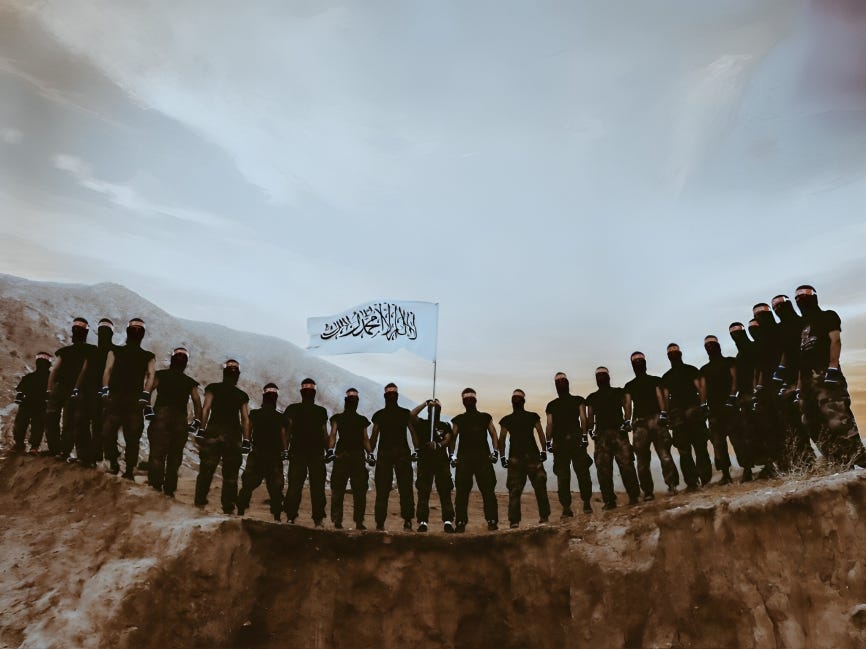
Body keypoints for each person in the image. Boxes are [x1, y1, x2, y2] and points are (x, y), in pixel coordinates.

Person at [794, 285, 864, 467]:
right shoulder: (800, 326)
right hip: (807, 379)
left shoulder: (828, 316)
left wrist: (832, 367)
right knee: (810, 421)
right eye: (797, 296)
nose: (800, 298)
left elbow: (835, 340)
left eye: (805, 294)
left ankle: (860, 457)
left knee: (838, 418)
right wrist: (799, 387)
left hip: (826, 373)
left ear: (814, 296)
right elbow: (800, 360)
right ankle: (838, 460)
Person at [100, 318, 156, 479]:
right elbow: (150, 376)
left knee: (126, 436)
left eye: (138, 330)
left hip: (126, 400)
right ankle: (119, 465)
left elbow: (107, 371)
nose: (136, 332)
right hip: (124, 399)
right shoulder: (145, 356)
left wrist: (105, 390)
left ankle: (126, 469)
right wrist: (145, 394)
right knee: (117, 434)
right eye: (135, 329)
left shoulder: (118, 352)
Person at [194, 359, 250, 513]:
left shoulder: (213, 388)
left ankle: (199, 504)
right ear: (237, 375)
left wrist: (201, 430)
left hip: (214, 431)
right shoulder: (241, 395)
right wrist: (246, 440)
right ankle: (228, 508)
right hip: (233, 434)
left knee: (206, 470)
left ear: (224, 373)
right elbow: (245, 419)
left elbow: (206, 409)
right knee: (231, 474)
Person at [146, 347, 202, 497]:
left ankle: (155, 487)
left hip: (161, 416)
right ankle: (169, 490)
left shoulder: (161, 375)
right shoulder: (189, 382)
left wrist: (147, 408)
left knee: (157, 454)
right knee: (175, 456)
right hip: (180, 420)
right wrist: (197, 421)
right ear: (185, 363)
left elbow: (149, 389)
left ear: (172, 359)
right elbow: (197, 401)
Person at [623, 352, 679, 500]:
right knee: (664, 454)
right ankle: (672, 486)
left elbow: (628, 404)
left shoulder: (630, 385)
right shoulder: (655, 380)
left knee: (642, 460)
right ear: (645, 363)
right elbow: (660, 396)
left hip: (640, 422)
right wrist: (664, 413)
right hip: (656, 419)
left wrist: (627, 421)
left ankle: (648, 492)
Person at [770, 294, 816, 469]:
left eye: (781, 305)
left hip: (809, 377)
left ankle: (837, 458)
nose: (778, 309)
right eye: (775, 307)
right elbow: (783, 353)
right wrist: (780, 373)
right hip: (788, 383)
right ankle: (808, 462)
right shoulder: (778, 329)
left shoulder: (803, 323)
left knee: (814, 420)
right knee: (794, 424)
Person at [587, 367, 640, 510]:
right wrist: (590, 430)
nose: (601, 377)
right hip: (603, 435)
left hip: (618, 432)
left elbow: (627, 404)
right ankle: (610, 501)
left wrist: (627, 421)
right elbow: (590, 416)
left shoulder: (618, 391)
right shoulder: (592, 397)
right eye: (598, 375)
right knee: (604, 470)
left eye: (603, 374)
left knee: (626, 465)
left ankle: (633, 496)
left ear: (608, 377)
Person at [369, 383, 419, 531]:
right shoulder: (404, 413)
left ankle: (381, 523)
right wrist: (416, 450)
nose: (391, 396)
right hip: (397, 454)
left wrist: (370, 452)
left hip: (390, 454)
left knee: (388, 489)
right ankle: (405, 521)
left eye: (393, 394)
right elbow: (413, 432)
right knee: (401, 489)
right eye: (390, 394)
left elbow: (374, 436)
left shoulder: (381, 415)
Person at [662, 343, 711, 490]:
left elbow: (700, 387)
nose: (673, 353)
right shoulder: (667, 376)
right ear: (668, 356)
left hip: (692, 411)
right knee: (686, 451)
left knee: (699, 447)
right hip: (679, 415)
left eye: (674, 351)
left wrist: (703, 405)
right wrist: (667, 415)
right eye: (671, 352)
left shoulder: (690, 370)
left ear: (680, 353)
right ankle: (694, 482)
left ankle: (703, 481)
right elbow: (665, 398)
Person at [498, 389, 550, 528]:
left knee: (514, 490)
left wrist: (502, 457)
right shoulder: (532, 416)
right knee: (540, 487)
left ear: (512, 402)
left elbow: (501, 439)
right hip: (532, 457)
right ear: (523, 401)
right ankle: (544, 517)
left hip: (515, 459)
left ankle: (514, 521)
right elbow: (540, 433)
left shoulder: (507, 420)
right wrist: (544, 451)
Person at [46, 317, 95, 460]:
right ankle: (62, 451)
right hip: (68, 388)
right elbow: (84, 370)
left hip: (63, 387)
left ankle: (59, 450)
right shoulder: (89, 350)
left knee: (58, 418)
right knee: (67, 420)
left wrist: (50, 389)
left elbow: (54, 370)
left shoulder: (66, 351)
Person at [237, 383, 287, 521]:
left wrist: (246, 441)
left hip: (258, 453)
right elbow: (283, 435)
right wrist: (285, 450)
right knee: (276, 487)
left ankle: (240, 511)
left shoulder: (255, 414)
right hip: (274, 456)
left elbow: (247, 426)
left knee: (248, 484)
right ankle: (276, 517)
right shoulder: (279, 417)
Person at [545, 372, 593, 516]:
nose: (560, 383)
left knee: (564, 476)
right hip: (575, 441)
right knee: (582, 473)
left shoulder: (552, 405)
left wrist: (548, 442)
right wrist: (584, 436)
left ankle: (567, 509)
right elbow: (583, 419)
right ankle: (586, 504)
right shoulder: (578, 400)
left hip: (562, 443)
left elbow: (549, 425)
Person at [452, 388, 500, 532]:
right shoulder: (459, 419)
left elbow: (493, 434)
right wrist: (452, 456)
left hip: (481, 459)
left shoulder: (485, 417)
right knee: (463, 492)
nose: (468, 401)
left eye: (470, 398)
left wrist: (495, 452)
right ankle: (461, 522)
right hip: (469, 459)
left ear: (474, 400)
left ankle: (490, 521)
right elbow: (453, 439)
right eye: (466, 399)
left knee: (486, 491)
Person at [282, 378, 329, 526]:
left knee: (296, 485)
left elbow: (287, 432)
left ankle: (291, 517)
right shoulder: (320, 411)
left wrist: (285, 449)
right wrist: (329, 451)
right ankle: (317, 520)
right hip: (314, 453)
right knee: (316, 487)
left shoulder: (293, 409)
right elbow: (324, 433)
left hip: (300, 452)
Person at [72, 318, 116, 467]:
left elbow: (84, 371)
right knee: (94, 425)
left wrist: (76, 388)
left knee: (86, 423)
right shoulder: (113, 352)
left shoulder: (94, 351)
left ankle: (88, 457)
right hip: (97, 392)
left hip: (93, 392)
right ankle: (91, 457)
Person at [328, 388, 373, 530]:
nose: (353, 402)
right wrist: (330, 450)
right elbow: (333, 435)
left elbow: (365, 439)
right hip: (351, 456)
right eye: (353, 400)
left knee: (344, 489)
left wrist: (370, 453)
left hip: (348, 456)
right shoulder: (358, 420)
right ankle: (351, 521)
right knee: (350, 490)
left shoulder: (346, 419)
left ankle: (342, 520)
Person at [698, 335, 740, 485]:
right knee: (718, 443)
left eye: (712, 343)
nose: (710, 346)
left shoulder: (729, 361)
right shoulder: (704, 369)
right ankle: (725, 475)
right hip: (714, 410)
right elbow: (703, 388)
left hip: (730, 406)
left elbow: (735, 379)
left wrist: (732, 397)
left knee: (738, 439)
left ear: (718, 344)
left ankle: (747, 469)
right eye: (707, 344)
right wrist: (703, 405)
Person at [410, 398, 455, 533]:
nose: (434, 411)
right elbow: (411, 415)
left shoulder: (445, 425)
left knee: (445, 491)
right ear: (428, 411)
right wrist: (425, 403)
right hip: (425, 461)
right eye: (432, 409)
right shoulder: (422, 424)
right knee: (423, 491)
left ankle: (447, 521)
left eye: (437, 408)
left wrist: (438, 445)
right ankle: (423, 522)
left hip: (441, 461)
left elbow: (448, 438)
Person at [750, 303, 785, 476]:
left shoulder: (778, 330)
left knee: (786, 424)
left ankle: (798, 461)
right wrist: (759, 387)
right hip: (767, 389)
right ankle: (779, 464)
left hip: (783, 382)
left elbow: (789, 350)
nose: (759, 317)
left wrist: (782, 372)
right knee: (771, 427)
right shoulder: (760, 341)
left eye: (761, 313)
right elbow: (760, 367)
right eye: (756, 314)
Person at [728, 322, 757, 482]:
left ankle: (771, 465)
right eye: (732, 333)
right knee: (747, 433)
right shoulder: (739, 356)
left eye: (738, 331)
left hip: (754, 395)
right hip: (744, 397)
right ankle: (748, 469)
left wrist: (755, 392)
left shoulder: (751, 349)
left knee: (759, 430)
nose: (735, 335)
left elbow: (756, 370)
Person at [11, 352, 52, 454]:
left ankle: (19, 444)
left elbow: (20, 391)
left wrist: (20, 398)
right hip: (41, 404)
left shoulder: (29, 377)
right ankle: (34, 447)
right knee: (37, 425)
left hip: (27, 403)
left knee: (21, 423)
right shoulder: (51, 378)